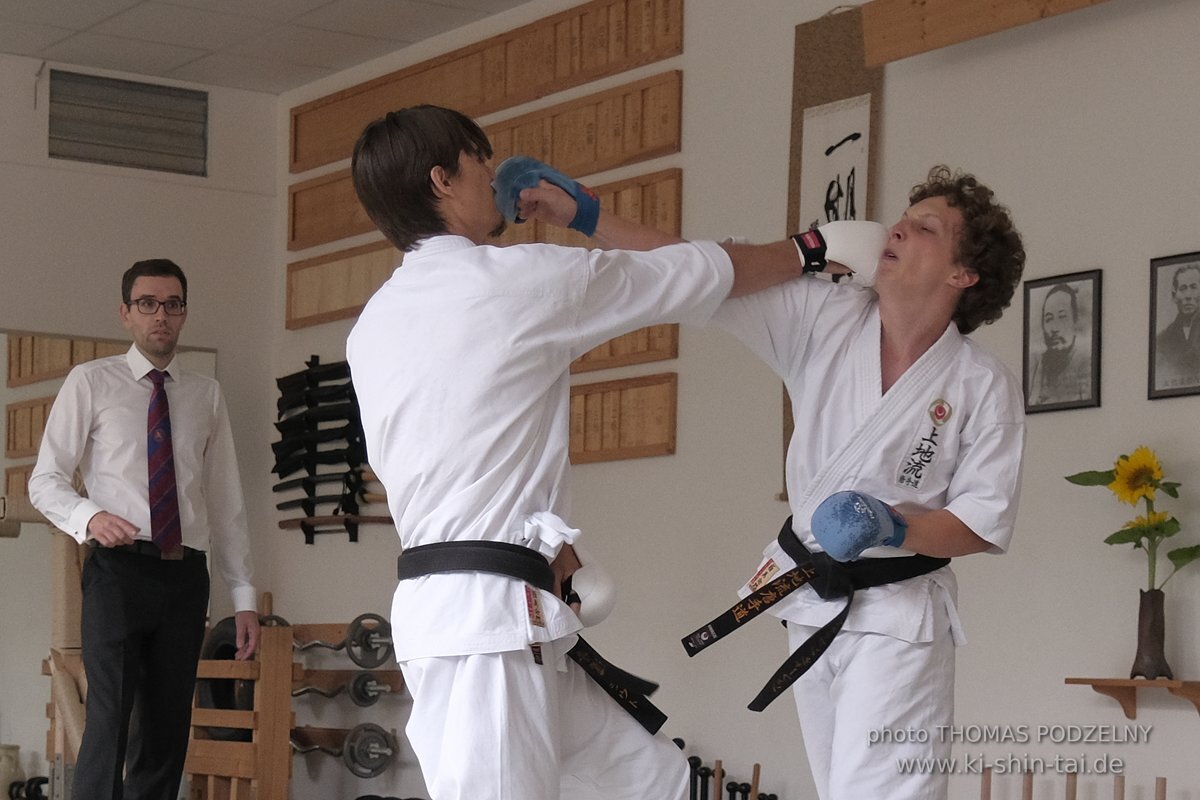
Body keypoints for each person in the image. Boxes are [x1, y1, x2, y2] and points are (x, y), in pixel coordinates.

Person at [344, 104, 884, 800]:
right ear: (442, 180)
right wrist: (811, 248)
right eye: (480, 162)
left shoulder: (374, 324)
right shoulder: (515, 281)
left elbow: (450, 461)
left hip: (488, 612)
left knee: (659, 783)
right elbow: (693, 274)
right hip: (486, 632)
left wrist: (543, 540)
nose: (492, 176)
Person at [534, 165, 1026, 800]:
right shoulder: (824, 315)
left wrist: (891, 525)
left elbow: (979, 523)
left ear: (964, 274)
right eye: (904, 219)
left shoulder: (982, 385)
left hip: (900, 615)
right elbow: (699, 269)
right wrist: (585, 216)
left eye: (926, 228)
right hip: (809, 601)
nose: (898, 229)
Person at [29, 259, 259, 800]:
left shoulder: (206, 394)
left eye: (172, 304)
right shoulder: (91, 381)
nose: (161, 315)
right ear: (126, 313)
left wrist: (244, 597)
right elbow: (45, 481)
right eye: (148, 304)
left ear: (184, 314)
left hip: (185, 577)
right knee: (109, 719)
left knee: (166, 729)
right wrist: (89, 517)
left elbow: (226, 501)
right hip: (117, 572)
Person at [1028, 282, 1090, 404]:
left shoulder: (1086, 362)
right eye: (1049, 319)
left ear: (1075, 321)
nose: (1054, 328)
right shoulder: (1036, 366)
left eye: (1062, 317)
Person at [1155, 262, 1200, 388]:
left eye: (1194, 287)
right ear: (1174, 296)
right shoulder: (1163, 340)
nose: (1188, 296)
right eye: (1183, 288)